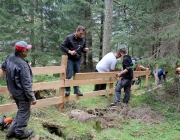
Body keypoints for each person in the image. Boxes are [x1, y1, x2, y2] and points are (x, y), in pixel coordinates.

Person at [1, 41, 36, 139]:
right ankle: (19, 133)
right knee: (24, 113)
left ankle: (10, 132)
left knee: (21, 111)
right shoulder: (23, 65)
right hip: (22, 94)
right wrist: (32, 98)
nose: (28, 51)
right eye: (27, 50)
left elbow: (3, 66)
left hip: (13, 91)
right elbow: (26, 85)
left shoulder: (9, 58)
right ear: (23, 51)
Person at [61, 25, 89, 96]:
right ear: (76, 31)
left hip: (78, 59)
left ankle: (76, 90)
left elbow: (82, 48)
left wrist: (85, 50)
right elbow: (62, 46)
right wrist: (69, 51)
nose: (81, 35)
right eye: (80, 33)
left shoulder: (83, 39)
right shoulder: (69, 38)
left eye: (82, 34)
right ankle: (67, 90)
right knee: (69, 74)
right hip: (70, 59)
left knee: (77, 75)